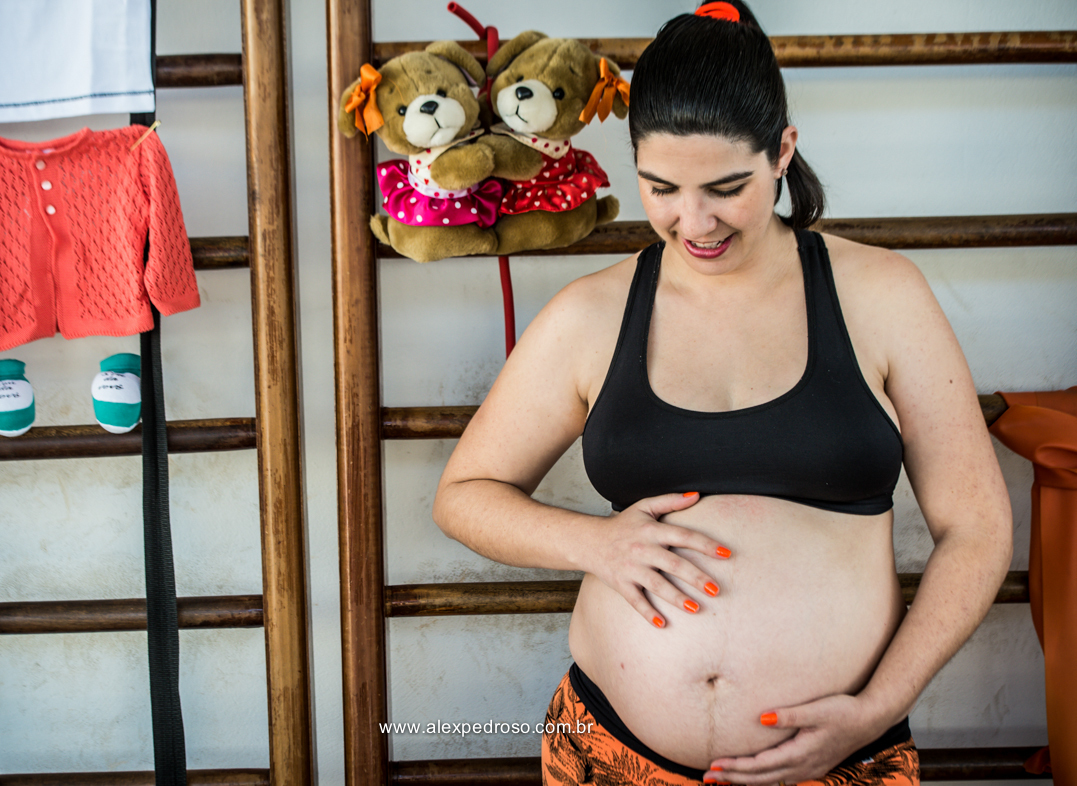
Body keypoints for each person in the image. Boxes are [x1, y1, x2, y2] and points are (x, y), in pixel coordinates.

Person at [432, 2, 1014, 784]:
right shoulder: (589, 313)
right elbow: (464, 495)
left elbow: (975, 527)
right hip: (608, 756)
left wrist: (880, 707)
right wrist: (594, 544)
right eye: (661, 188)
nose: (693, 220)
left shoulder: (881, 293)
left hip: (843, 756)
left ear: (781, 153)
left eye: (725, 187)